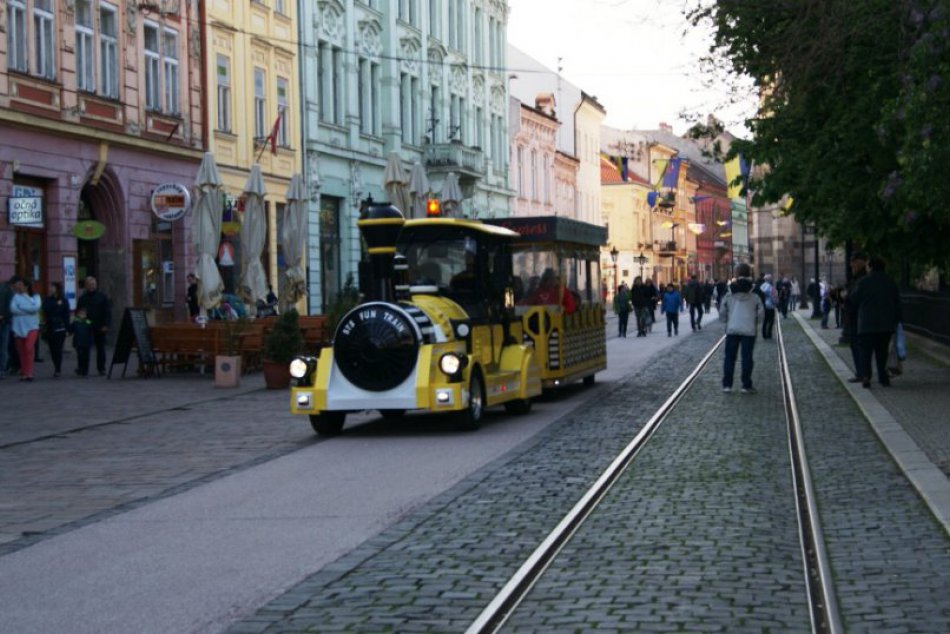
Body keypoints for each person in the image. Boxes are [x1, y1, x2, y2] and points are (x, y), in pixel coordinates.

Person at [848, 256, 901, 388]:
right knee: (882, 352)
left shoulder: (863, 282)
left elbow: (853, 300)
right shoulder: (890, 282)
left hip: (866, 324)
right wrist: (897, 321)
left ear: (870, 267)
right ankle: (883, 378)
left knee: (865, 352)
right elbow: (897, 303)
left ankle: (866, 377)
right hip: (885, 325)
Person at [720, 263, 763, 394]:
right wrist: (755, 322)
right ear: (750, 273)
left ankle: (727, 385)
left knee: (729, 358)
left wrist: (726, 321)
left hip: (732, 328)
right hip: (749, 329)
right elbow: (761, 312)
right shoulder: (755, 291)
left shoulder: (729, 290)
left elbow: (722, 310)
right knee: (747, 358)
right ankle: (746, 384)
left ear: (737, 274)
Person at [842, 252, 868, 383]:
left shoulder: (862, 279)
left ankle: (862, 374)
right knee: (856, 345)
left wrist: (845, 297)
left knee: (858, 346)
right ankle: (862, 373)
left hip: (857, 317)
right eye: (851, 261)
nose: (851, 264)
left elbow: (853, 297)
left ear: (861, 262)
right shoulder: (856, 277)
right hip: (853, 317)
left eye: (854, 261)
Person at [76, 276, 111, 376]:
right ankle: (83, 369)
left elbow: (107, 312)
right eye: (90, 284)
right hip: (86, 326)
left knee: (101, 348)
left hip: (100, 326)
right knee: (84, 349)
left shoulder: (102, 297)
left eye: (94, 284)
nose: (92, 286)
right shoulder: (82, 298)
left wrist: (106, 324)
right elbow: (79, 312)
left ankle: (101, 368)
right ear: (86, 286)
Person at [9, 276, 42, 381]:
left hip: (32, 327)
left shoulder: (35, 297)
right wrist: (28, 310)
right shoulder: (15, 297)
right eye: (17, 285)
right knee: (22, 351)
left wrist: (21, 307)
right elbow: (13, 309)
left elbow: (35, 308)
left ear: (26, 286)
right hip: (18, 327)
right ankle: (24, 372)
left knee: (28, 348)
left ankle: (30, 372)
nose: (18, 287)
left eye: (20, 285)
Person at [42, 282, 71, 378]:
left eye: (52, 287)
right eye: (50, 287)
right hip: (50, 327)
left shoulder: (64, 300)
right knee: (52, 349)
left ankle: (58, 368)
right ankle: (56, 365)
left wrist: (67, 329)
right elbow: (45, 310)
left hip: (60, 327)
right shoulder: (47, 300)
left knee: (58, 349)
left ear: (57, 289)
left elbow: (66, 315)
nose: (50, 289)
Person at [70, 307, 94, 377]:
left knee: (86, 357)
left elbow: (91, 332)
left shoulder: (88, 322)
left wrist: (91, 341)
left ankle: (85, 370)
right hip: (78, 342)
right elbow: (71, 329)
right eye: (80, 314)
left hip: (86, 342)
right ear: (78, 314)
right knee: (80, 356)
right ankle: (80, 369)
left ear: (86, 315)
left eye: (83, 314)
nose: (82, 315)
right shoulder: (76, 322)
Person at [0, 276, 12, 378]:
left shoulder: (6, 289)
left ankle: (2, 370)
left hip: (4, 322)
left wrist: (3, 315)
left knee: (3, 347)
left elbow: (10, 306)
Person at [759, 274, 777, 339]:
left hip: (763, 305)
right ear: (770, 280)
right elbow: (773, 297)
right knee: (771, 320)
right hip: (770, 306)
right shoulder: (771, 287)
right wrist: (776, 303)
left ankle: (764, 334)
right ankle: (769, 333)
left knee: (765, 320)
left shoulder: (761, 286)